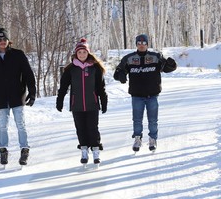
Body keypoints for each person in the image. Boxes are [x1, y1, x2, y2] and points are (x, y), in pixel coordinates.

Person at [113, 34, 177, 153]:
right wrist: (120, 75)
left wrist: (171, 64)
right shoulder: (129, 58)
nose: (141, 45)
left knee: (153, 120)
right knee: (137, 120)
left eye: (144, 43)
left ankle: (153, 139)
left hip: (152, 95)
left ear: (147, 44)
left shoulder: (156, 57)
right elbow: (118, 72)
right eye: (139, 43)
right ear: (136, 44)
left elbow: (167, 68)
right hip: (137, 95)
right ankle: (137, 139)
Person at [0, 28, 36, 165]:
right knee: (2, 126)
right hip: (0, 97)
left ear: (8, 41)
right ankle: (3, 151)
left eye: (4, 39)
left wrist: (32, 92)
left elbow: (28, 74)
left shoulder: (18, 55)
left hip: (17, 96)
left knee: (20, 124)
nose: (2, 42)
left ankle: (24, 150)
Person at [56, 38, 108, 166]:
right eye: (79, 53)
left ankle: (96, 151)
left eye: (84, 52)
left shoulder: (95, 68)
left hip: (92, 104)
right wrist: (60, 101)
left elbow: (101, 87)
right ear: (76, 54)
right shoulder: (70, 69)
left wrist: (103, 101)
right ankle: (84, 150)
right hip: (77, 105)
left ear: (88, 53)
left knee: (93, 128)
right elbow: (63, 87)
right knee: (80, 129)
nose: (82, 55)